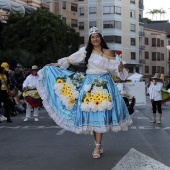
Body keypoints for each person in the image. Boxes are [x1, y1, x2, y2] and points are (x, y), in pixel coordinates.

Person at [36, 26, 133, 159]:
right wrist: (54, 65)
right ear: (90, 39)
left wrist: (120, 68)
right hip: (89, 86)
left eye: (97, 36)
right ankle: (97, 144)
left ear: (101, 38)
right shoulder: (85, 51)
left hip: (104, 85)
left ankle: (98, 146)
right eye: (92, 37)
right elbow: (70, 59)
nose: (95, 39)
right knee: (93, 116)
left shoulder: (108, 52)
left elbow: (117, 72)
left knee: (100, 115)